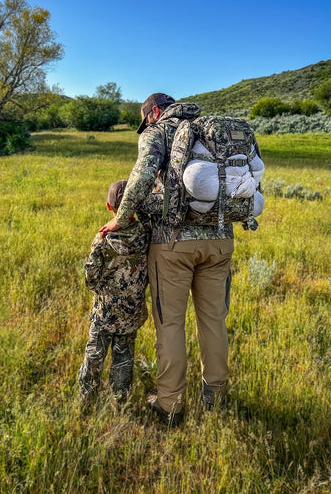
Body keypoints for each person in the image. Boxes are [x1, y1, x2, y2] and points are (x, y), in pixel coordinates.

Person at [99, 93, 234, 428]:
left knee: (170, 324)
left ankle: (169, 404)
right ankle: (216, 399)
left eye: (146, 118)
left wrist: (122, 217)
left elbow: (142, 174)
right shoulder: (210, 129)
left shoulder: (159, 130)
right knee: (214, 321)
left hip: (172, 244)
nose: (147, 123)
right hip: (221, 240)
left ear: (154, 112)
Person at [78, 180, 149, 403]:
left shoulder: (103, 239)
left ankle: (86, 398)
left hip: (104, 314)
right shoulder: (146, 234)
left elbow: (90, 279)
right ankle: (121, 399)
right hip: (131, 314)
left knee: (94, 356)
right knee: (124, 357)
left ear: (110, 207)